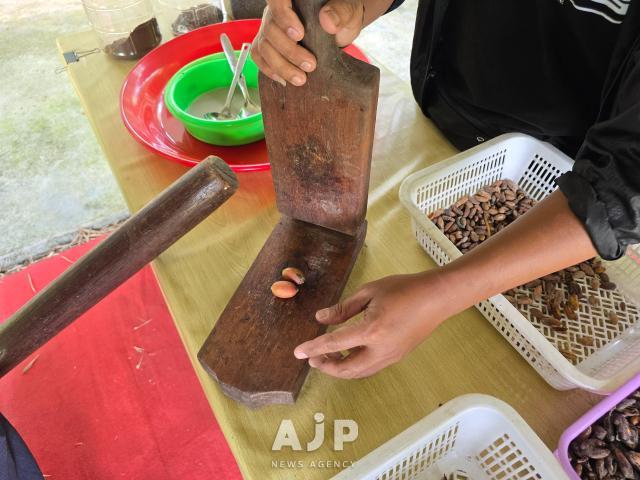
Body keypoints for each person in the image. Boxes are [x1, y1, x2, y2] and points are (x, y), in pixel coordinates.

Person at [252, 0, 640, 379]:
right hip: (449, 96)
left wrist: (441, 293)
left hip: (566, 180)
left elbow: (623, 183)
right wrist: (351, 8)